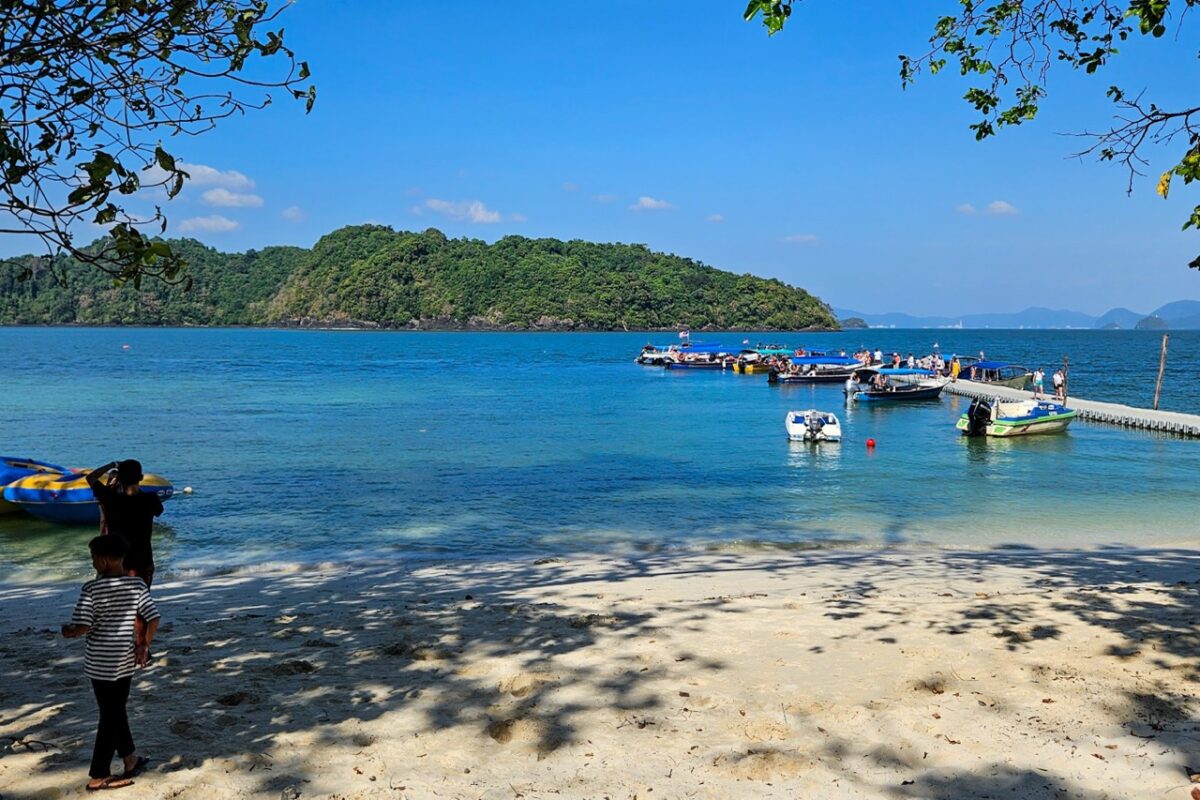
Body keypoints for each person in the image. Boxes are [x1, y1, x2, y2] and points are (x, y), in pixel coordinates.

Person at [62, 535, 160, 792]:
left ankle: (98, 775)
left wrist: (70, 631)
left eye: (94, 558)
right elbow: (153, 618)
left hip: (99, 663)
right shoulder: (137, 585)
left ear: (104, 560)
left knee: (110, 715)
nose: (93, 563)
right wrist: (143, 645)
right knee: (116, 711)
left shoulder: (91, 589)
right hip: (124, 659)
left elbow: (83, 626)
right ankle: (130, 759)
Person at [86, 460, 164, 587]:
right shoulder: (150, 499)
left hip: (117, 563)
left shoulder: (110, 498)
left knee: (118, 602)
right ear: (141, 478)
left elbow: (91, 477)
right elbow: (158, 511)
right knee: (141, 601)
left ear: (119, 478)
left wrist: (112, 465)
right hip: (144, 560)